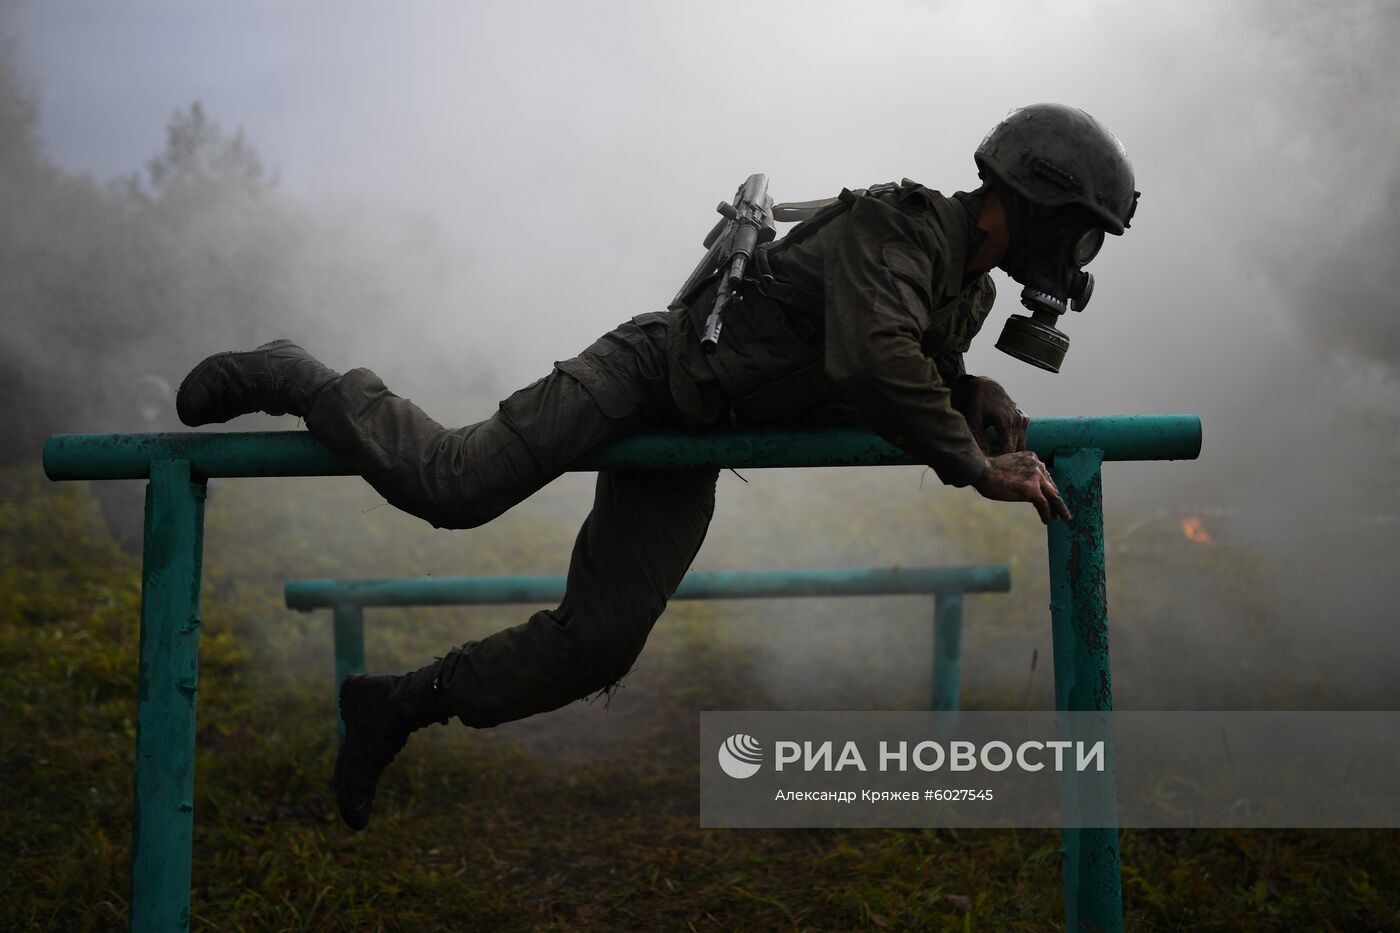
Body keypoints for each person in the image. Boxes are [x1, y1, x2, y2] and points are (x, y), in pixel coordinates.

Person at [175, 103, 1139, 831]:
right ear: (1044, 205)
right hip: (648, 372)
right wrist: (976, 464)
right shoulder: (905, 226)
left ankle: (394, 704)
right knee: (453, 484)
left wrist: (975, 399)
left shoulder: (961, 289)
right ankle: (298, 375)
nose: (1081, 256)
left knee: (599, 643)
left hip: (701, 429)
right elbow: (874, 358)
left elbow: (911, 367)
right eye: (1084, 231)